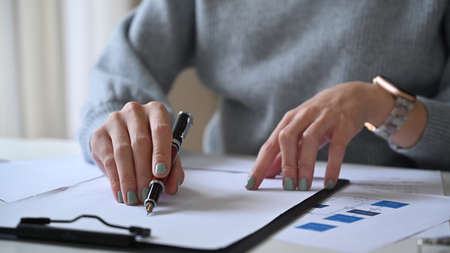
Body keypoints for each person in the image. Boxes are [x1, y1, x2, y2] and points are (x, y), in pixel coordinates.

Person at [79, 0, 450, 205]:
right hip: (234, 199)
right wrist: (123, 131)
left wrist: (381, 105)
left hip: (395, 208)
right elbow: (122, 69)